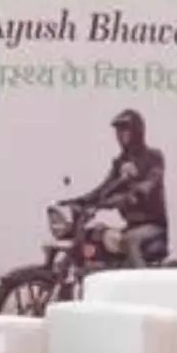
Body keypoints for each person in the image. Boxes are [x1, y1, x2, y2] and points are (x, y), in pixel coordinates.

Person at [66, 110, 167, 267]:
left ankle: (143, 281)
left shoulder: (153, 157)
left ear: (137, 131)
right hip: (131, 226)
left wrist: (134, 194)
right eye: (118, 131)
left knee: (130, 240)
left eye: (125, 129)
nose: (120, 134)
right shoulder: (120, 162)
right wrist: (81, 201)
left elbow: (152, 181)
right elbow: (104, 187)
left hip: (153, 226)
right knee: (95, 234)